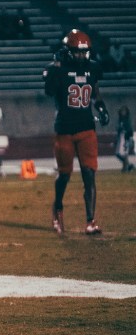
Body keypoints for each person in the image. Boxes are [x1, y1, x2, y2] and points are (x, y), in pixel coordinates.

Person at [42, 29, 110, 235]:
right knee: (64, 175)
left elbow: (95, 90)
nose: (82, 56)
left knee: (89, 174)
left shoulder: (92, 68)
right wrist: (55, 67)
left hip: (87, 128)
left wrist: (101, 107)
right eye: (77, 52)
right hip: (64, 130)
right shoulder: (58, 69)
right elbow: (49, 91)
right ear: (68, 51)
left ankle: (90, 220)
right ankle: (58, 208)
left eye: (84, 52)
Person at [115, 106, 134, 173]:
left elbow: (129, 130)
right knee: (118, 153)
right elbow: (119, 130)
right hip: (121, 137)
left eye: (124, 111)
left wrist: (129, 139)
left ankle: (125, 168)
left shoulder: (127, 120)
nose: (123, 112)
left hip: (126, 137)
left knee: (123, 153)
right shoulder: (120, 120)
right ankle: (128, 166)